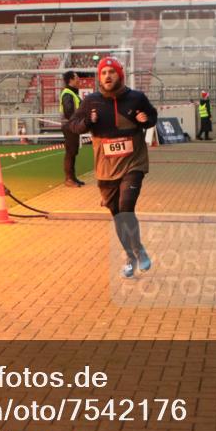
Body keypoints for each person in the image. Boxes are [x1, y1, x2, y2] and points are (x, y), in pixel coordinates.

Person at [68, 56, 158, 278]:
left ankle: (139, 251)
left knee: (126, 206)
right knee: (118, 215)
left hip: (133, 162)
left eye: (112, 72)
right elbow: (74, 125)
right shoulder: (91, 102)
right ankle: (131, 254)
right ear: (99, 77)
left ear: (120, 74)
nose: (107, 76)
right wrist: (88, 122)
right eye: (103, 73)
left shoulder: (136, 98)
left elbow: (152, 117)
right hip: (105, 167)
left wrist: (145, 119)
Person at [60, 70, 85, 187]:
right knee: (70, 152)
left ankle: (72, 178)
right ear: (70, 80)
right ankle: (69, 179)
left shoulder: (72, 93)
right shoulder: (67, 94)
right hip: (70, 126)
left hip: (73, 125)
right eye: (77, 78)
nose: (79, 80)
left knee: (73, 152)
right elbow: (68, 112)